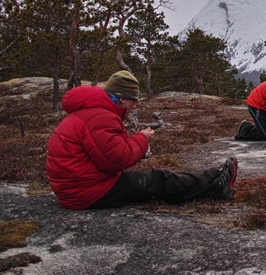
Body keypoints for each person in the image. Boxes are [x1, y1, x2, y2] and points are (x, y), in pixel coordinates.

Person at [46, 70, 238, 210]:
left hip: (80, 187)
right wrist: (141, 139)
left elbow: (106, 154)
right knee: (158, 180)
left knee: (155, 179)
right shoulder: (100, 117)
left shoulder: (92, 112)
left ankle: (215, 177)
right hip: (88, 192)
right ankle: (216, 184)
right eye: (133, 100)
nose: (135, 105)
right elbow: (118, 160)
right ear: (121, 99)